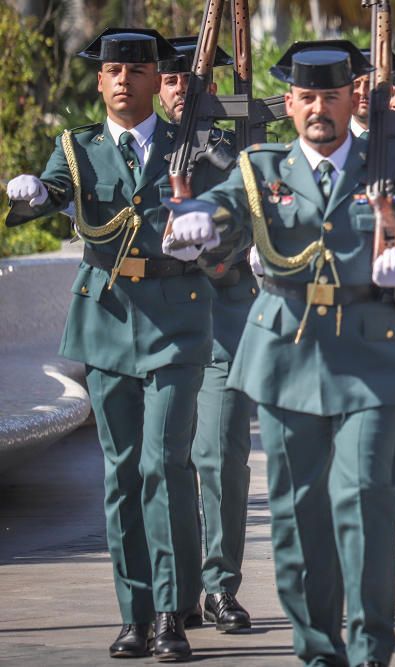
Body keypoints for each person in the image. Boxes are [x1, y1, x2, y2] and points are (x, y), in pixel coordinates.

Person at [168, 41, 395, 667]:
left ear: (354, 100)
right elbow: (224, 214)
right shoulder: (261, 170)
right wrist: (198, 228)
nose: (320, 108)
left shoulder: (390, 169)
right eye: (308, 97)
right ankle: (319, 649)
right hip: (288, 355)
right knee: (297, 516)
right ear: (288, 103)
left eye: (332, 96)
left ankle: (372, 647)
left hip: (372, 353)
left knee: (367, 499)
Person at [3, 28, 228, 661]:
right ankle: (134, 613)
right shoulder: (77, 149)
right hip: (105, 322)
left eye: (137, 69)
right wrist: (33, 195)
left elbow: (230, 224)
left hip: (176, 322)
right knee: (124, 473)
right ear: (99, 82)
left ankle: (169, 612)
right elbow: (49, 194)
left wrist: (211, 232)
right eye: (112, 70)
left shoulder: (196, 149)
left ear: (160, 80)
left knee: (162, 464)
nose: (123, 78)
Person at [157, 34, 256, 635]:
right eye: (169, 80)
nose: (178, 90)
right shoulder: (141, 150)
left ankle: (221, 586)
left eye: (188, 80)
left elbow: (248, 224)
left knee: (221, 458)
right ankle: (177, 592)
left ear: (211, 88)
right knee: (166, 462)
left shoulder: (232, 149)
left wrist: (212, 252)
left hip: (221, 317)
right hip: (159, 324)